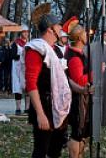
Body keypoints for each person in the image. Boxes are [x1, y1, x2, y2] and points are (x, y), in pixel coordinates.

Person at [24, 12, 70, 158]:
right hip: (44, 105)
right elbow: (31, 84)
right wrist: (40, 114)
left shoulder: (56, 50)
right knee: (41, 150)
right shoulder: (36, 49)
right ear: (51, 29)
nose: (61, 28)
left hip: (58, 106)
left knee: (55, 150)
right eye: (58, 25)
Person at [63, 17, 91, 158]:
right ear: (79, 37)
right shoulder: (74, 57)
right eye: (85, 34)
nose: (88, 36)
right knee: (77, 133)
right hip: (77, 99)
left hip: (83, 99)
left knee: (83, 132)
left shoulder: (79, 54)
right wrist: (94, 73)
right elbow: (79, 81)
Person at [11, 25, 30, 114]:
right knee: (18, 87)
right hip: (17, 68)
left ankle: (27, 108)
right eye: (24, 32)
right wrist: (22, 54)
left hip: (26, 67)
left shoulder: (30, 44)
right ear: (21, 33)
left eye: (27, 32)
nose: (26, 33)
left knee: (27, 87)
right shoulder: (16, 43)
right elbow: (12, 56)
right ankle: (18, 108)